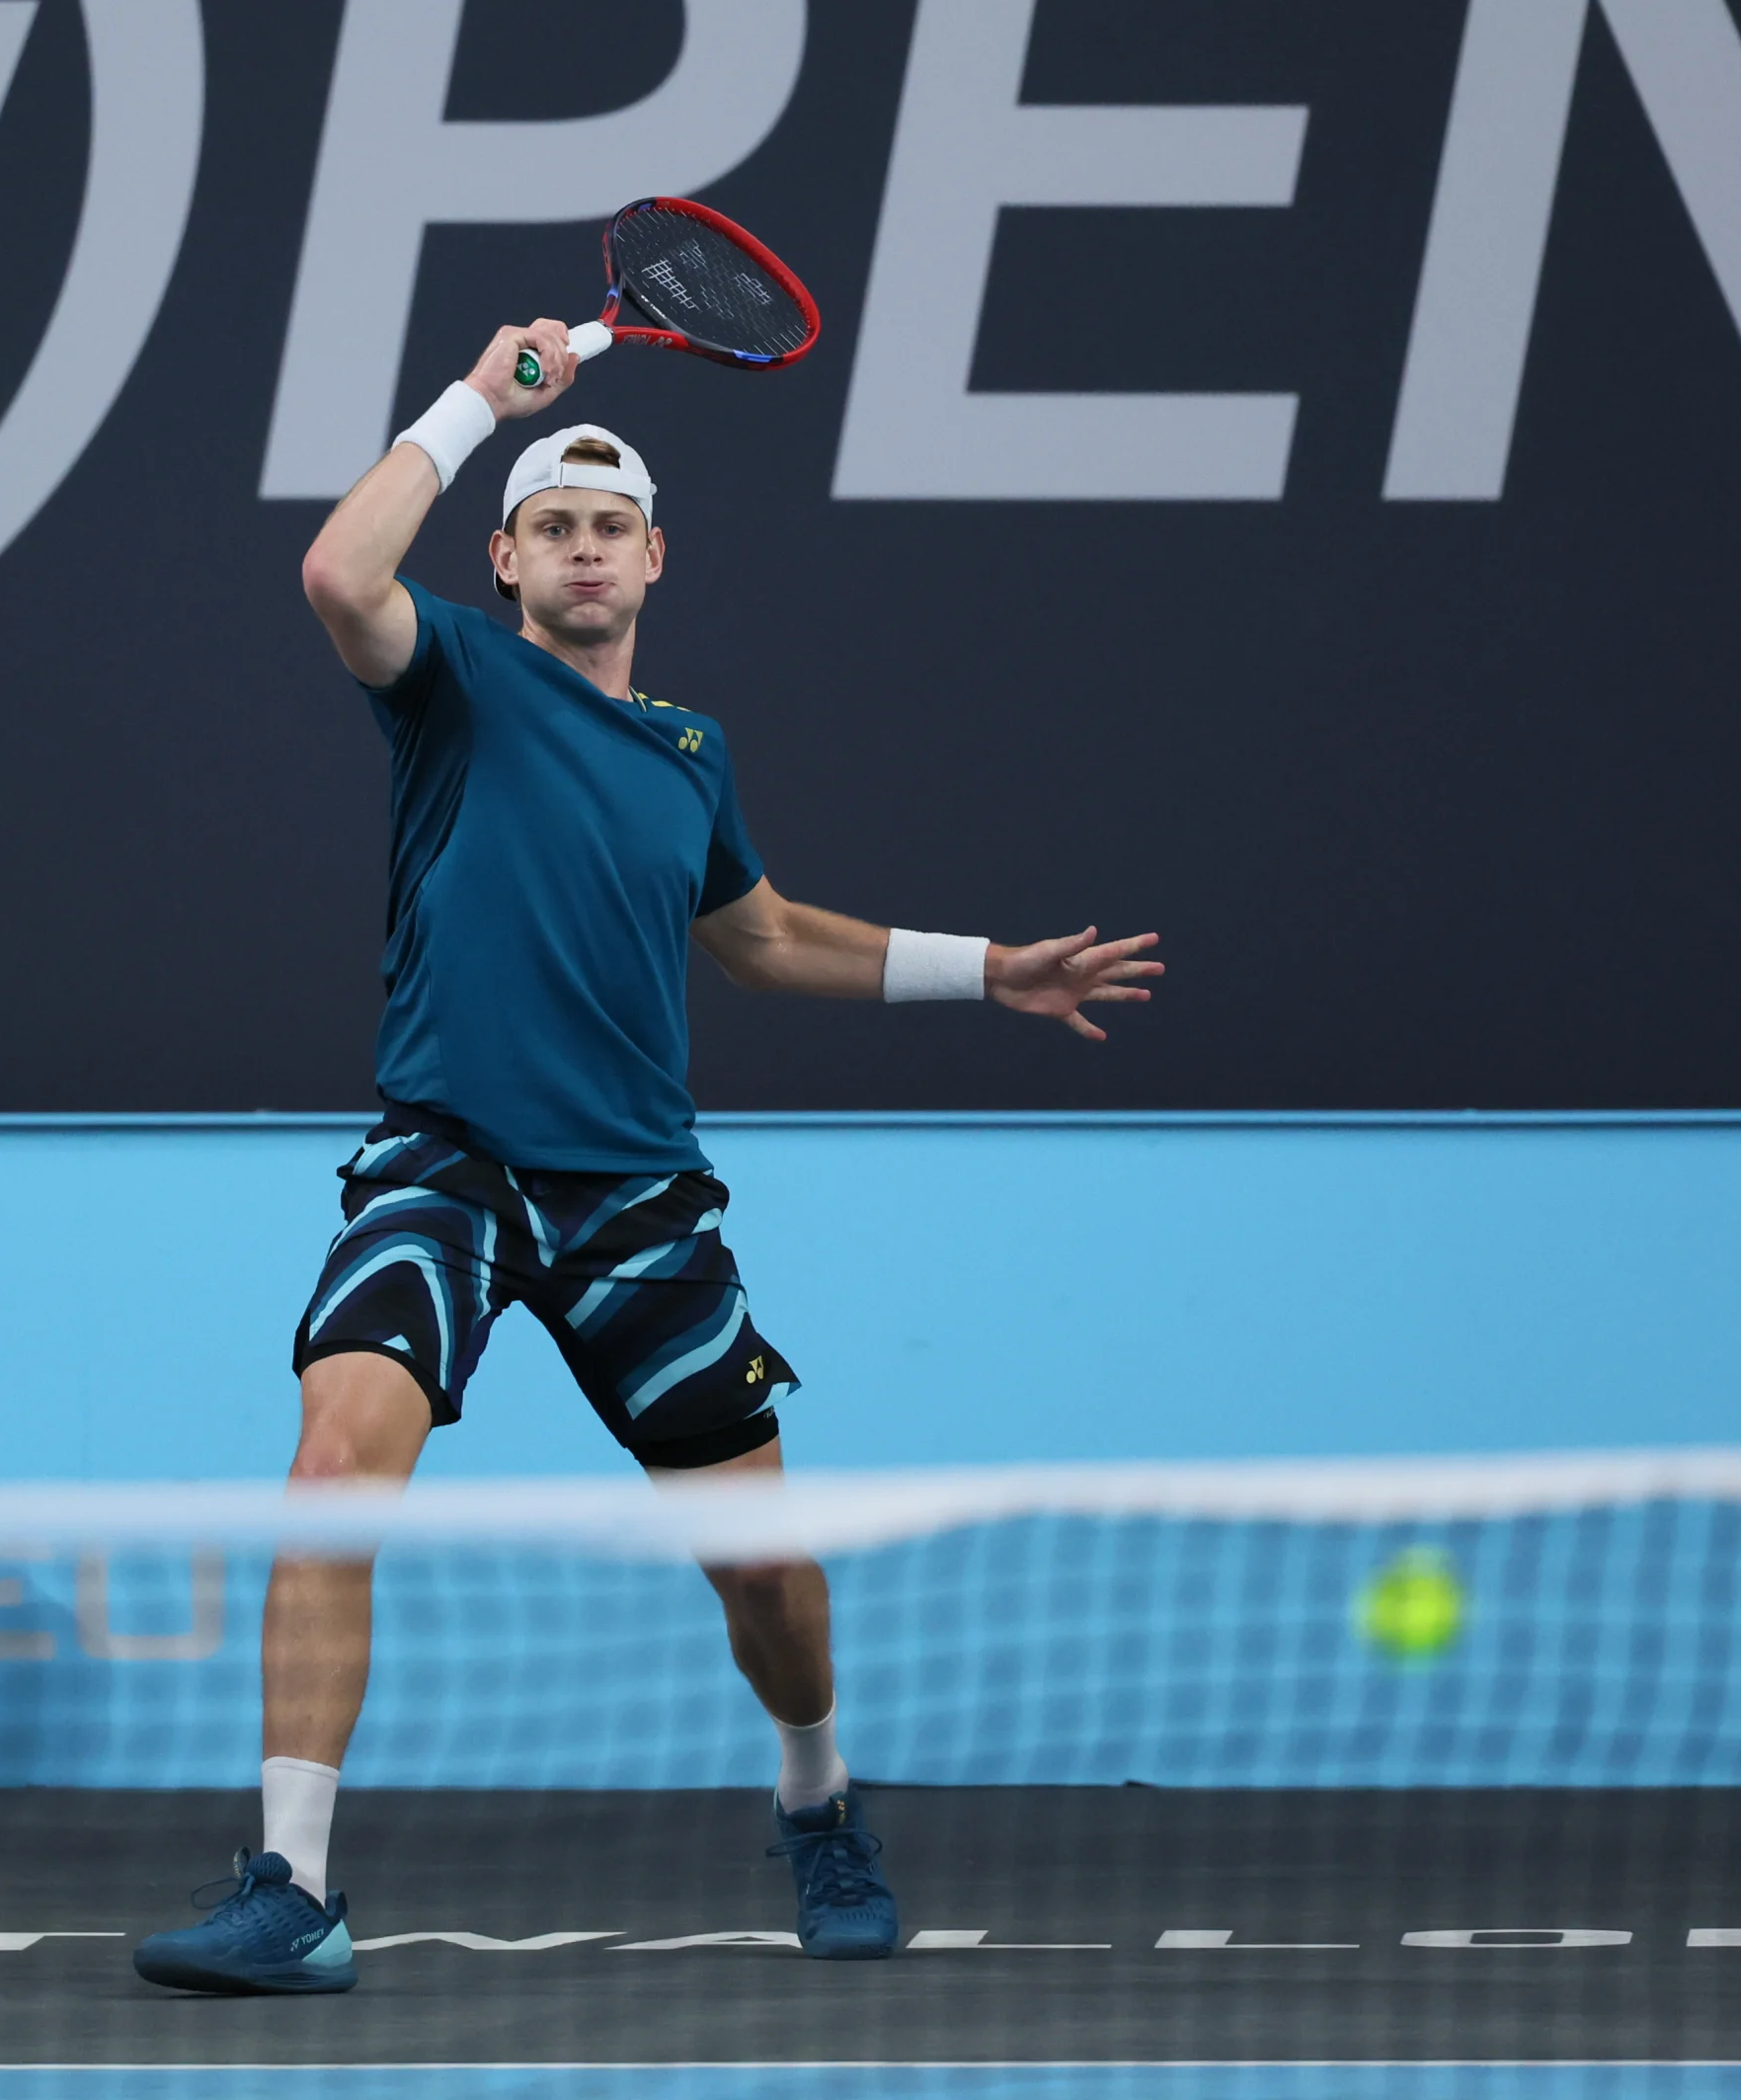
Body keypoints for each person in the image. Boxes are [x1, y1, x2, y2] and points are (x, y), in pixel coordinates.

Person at [132, 319, 1164, 1997]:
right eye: (554, 524)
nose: (585, 546)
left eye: (611, 525)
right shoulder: (454, 680)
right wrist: (484, 400)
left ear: (654, 557)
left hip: (635, 1199)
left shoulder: (694, 754)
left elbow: (760, 941)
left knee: (766, 1572)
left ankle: (820, 1805)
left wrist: (989, 968)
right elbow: (335, 571)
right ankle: (292, 1885)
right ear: (509, 556)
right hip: (447, 1165)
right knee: (332, 1469)